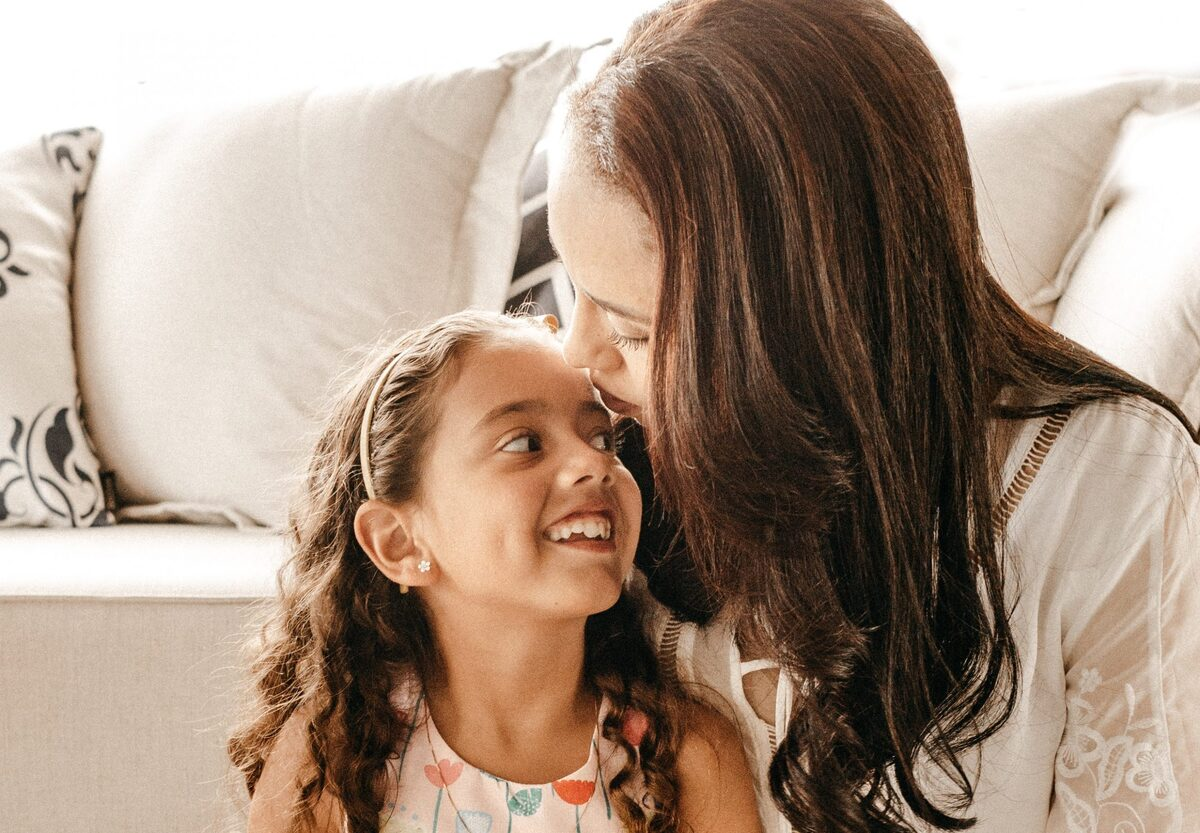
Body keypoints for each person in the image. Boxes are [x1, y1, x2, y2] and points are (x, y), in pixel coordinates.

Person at [545, 1, 1200, 831]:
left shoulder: (1105, 484)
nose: (578, 354)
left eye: (633, 329)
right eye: (572, 288)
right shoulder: (597, 470)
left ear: (802, 330)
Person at [227, 311, 762, 833]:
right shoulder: (331, 761)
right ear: (399, 542)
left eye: (603, 439)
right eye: (524, 443)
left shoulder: (684, 757)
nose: (595, 463)